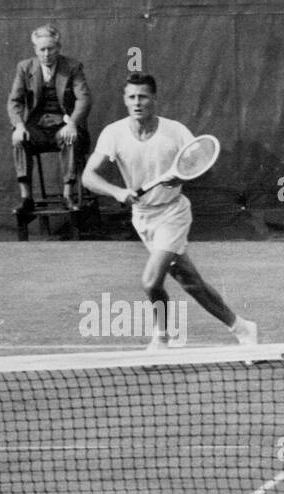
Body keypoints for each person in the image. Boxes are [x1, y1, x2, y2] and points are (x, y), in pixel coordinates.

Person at [82, 73, 258, 349]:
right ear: (125, 100)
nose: (137, 102)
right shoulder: (113, 133)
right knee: (191, 281)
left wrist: (182, 177)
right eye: (131, 97)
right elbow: (88, 176)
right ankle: (242, 327)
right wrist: (117, 192)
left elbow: (202, 165)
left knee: (151, 282)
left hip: (172, 214)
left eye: (143, 97)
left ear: (154, 99)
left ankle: (162, 339)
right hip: (142, 218)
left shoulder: (175, 131)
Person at [7, 24, 91, 231]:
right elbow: (14, 101)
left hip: (64, 125)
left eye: (50, 49)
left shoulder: (72, 66)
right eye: (42, 49)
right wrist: (19, 125)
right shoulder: (25, 68)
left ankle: (67, 195)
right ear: (35, 50)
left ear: (58, 47)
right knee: (19, 139)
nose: (46, 54)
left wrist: (72, 123)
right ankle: (26, 198)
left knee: (71, 138)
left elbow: (84, 99)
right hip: (38, 126)